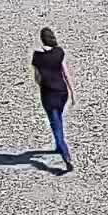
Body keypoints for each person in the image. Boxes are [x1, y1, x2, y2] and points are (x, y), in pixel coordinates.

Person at [31, 28, 74, 171]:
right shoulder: (59, 52)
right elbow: (66, 73)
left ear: (42, 39)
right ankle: (58, 145)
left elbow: (37, 78)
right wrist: (72, 92)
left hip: (48, 94)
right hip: (62, 92)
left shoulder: (37, 57)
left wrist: (44, 83)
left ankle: (65, 153)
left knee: (55, 123)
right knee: (58, 118)